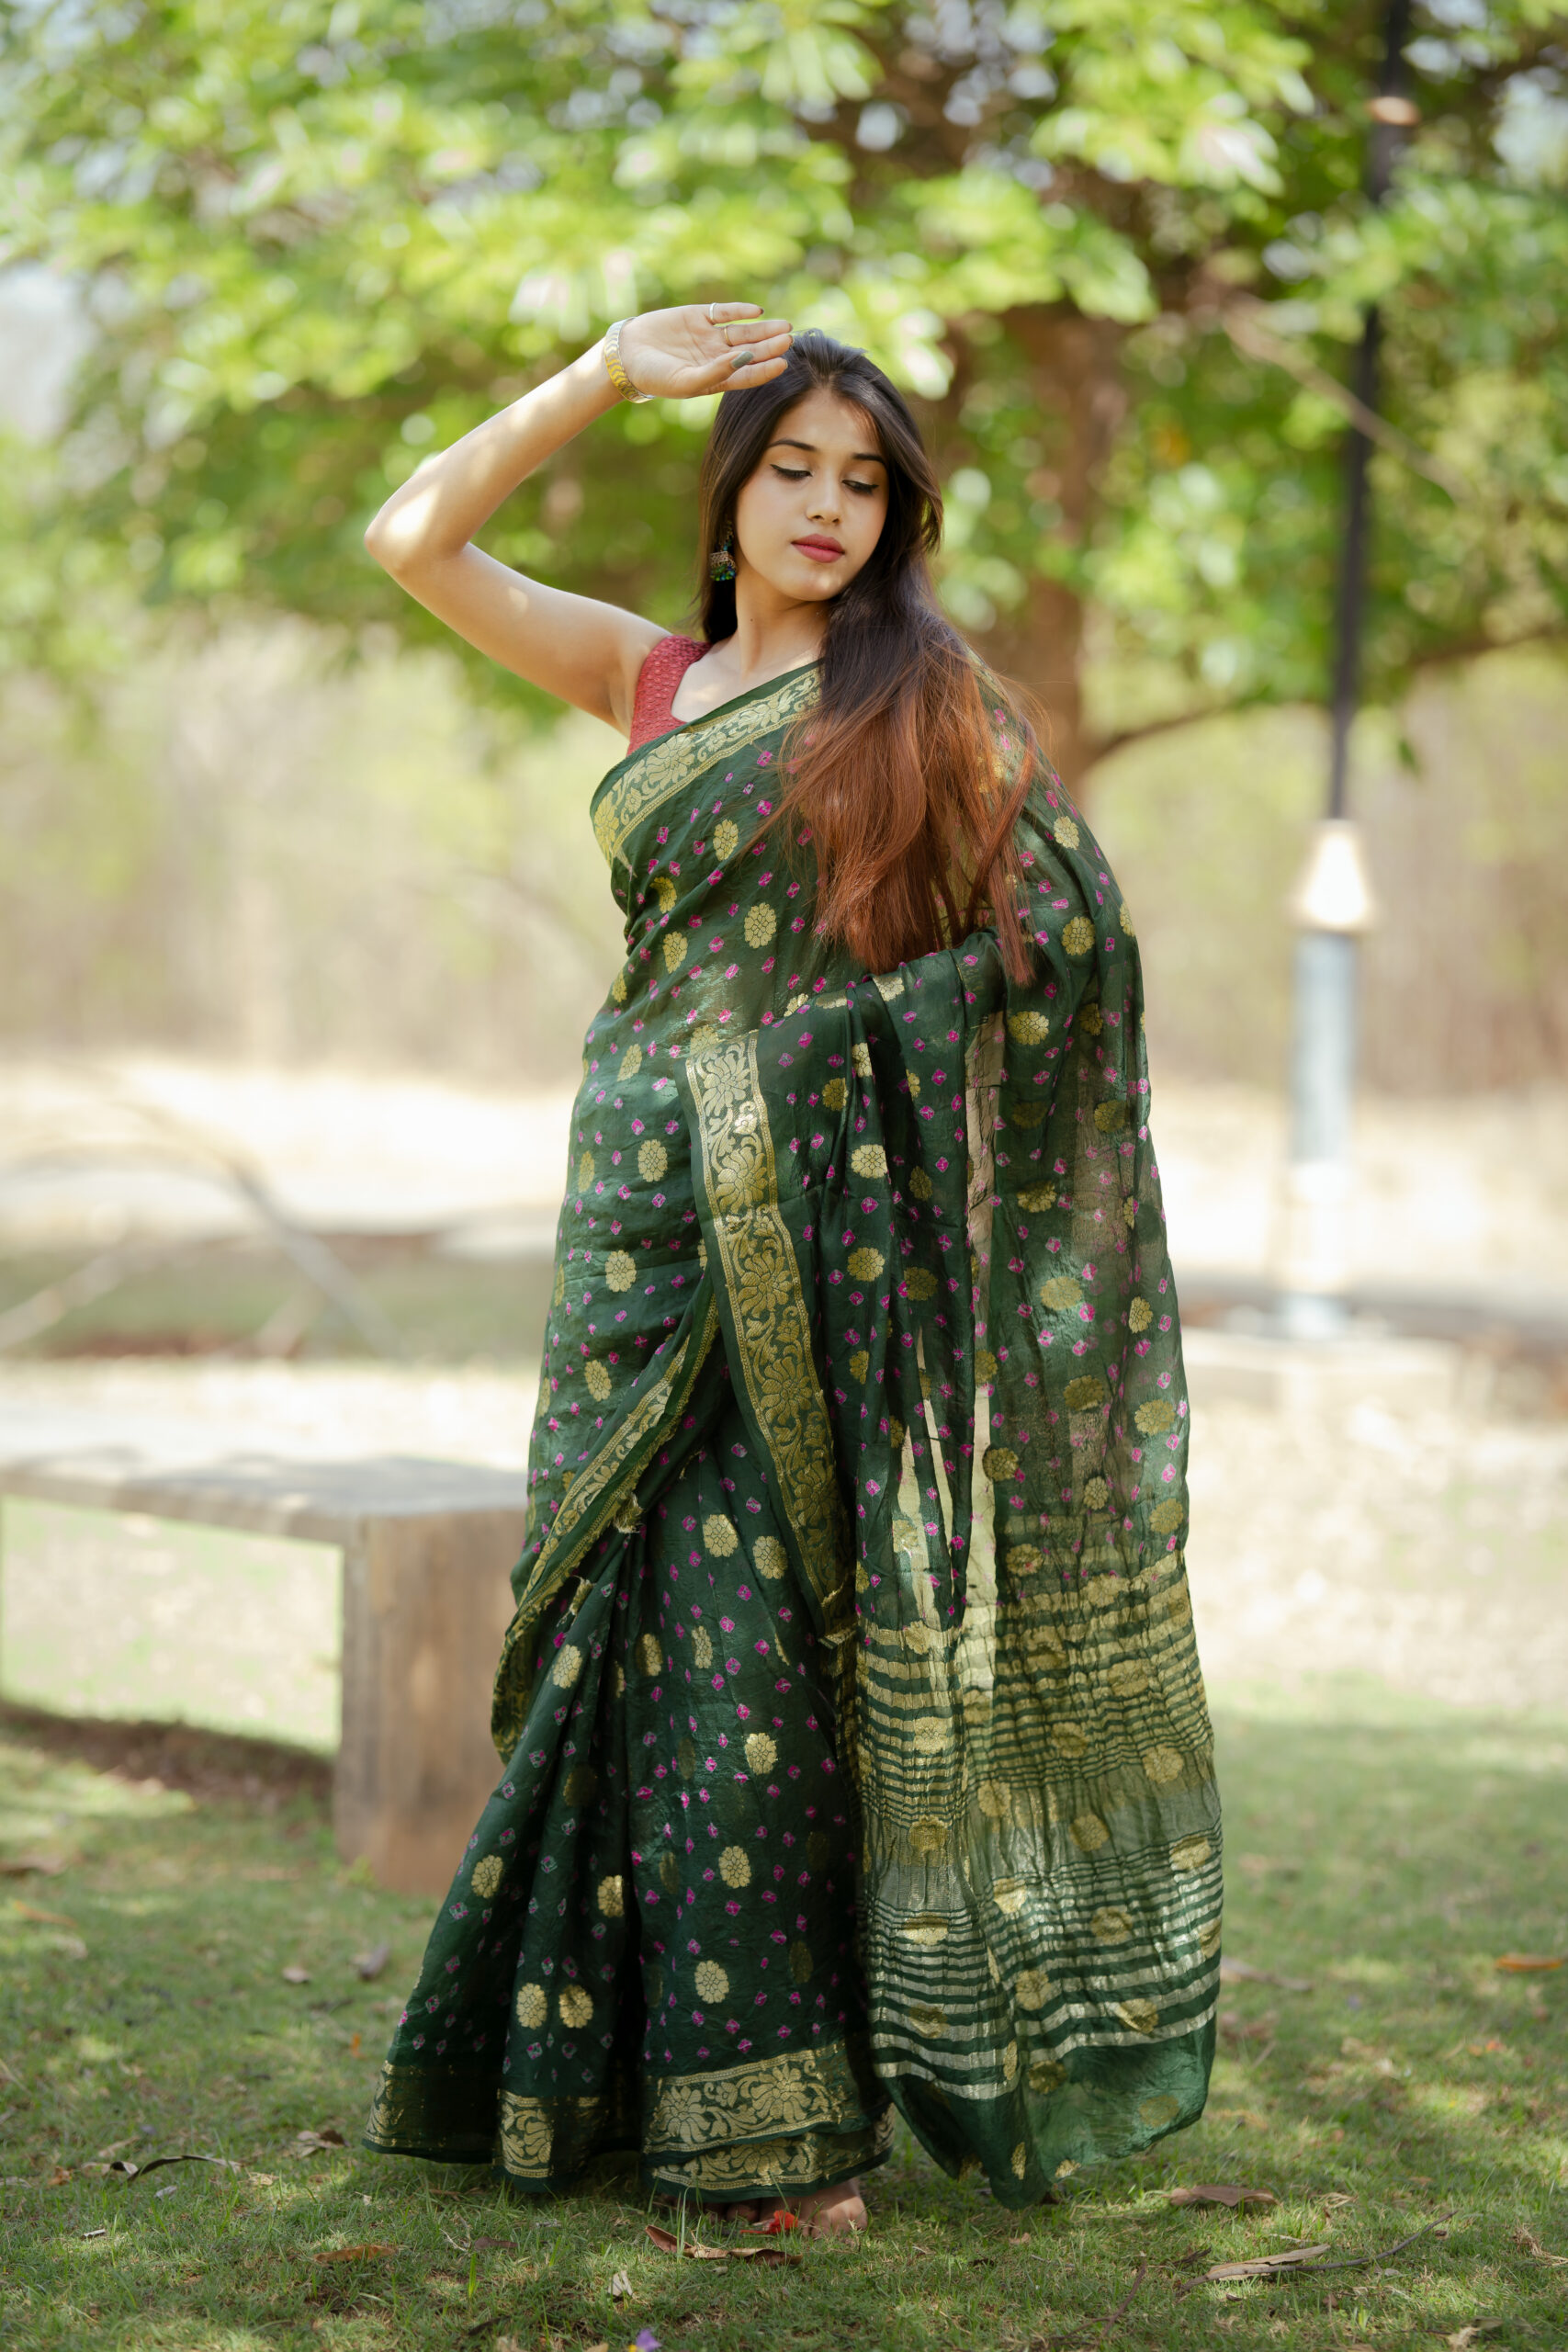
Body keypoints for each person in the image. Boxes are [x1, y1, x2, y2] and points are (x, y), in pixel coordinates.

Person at [359, 303, 1222, 2236]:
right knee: (611, 1644)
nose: (829, 507)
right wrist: (601, 370)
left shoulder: (926, 702)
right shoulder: (653, 679)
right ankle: (605, 2078)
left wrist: (821, 1049)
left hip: (810, 1248)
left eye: (864, 482)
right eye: (792, 470)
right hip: (630, 1232)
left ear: (897, 517)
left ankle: (789, 2141)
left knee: (755, 1665)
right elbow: (410, 539)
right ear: (729, 491)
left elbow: (1069, 946)